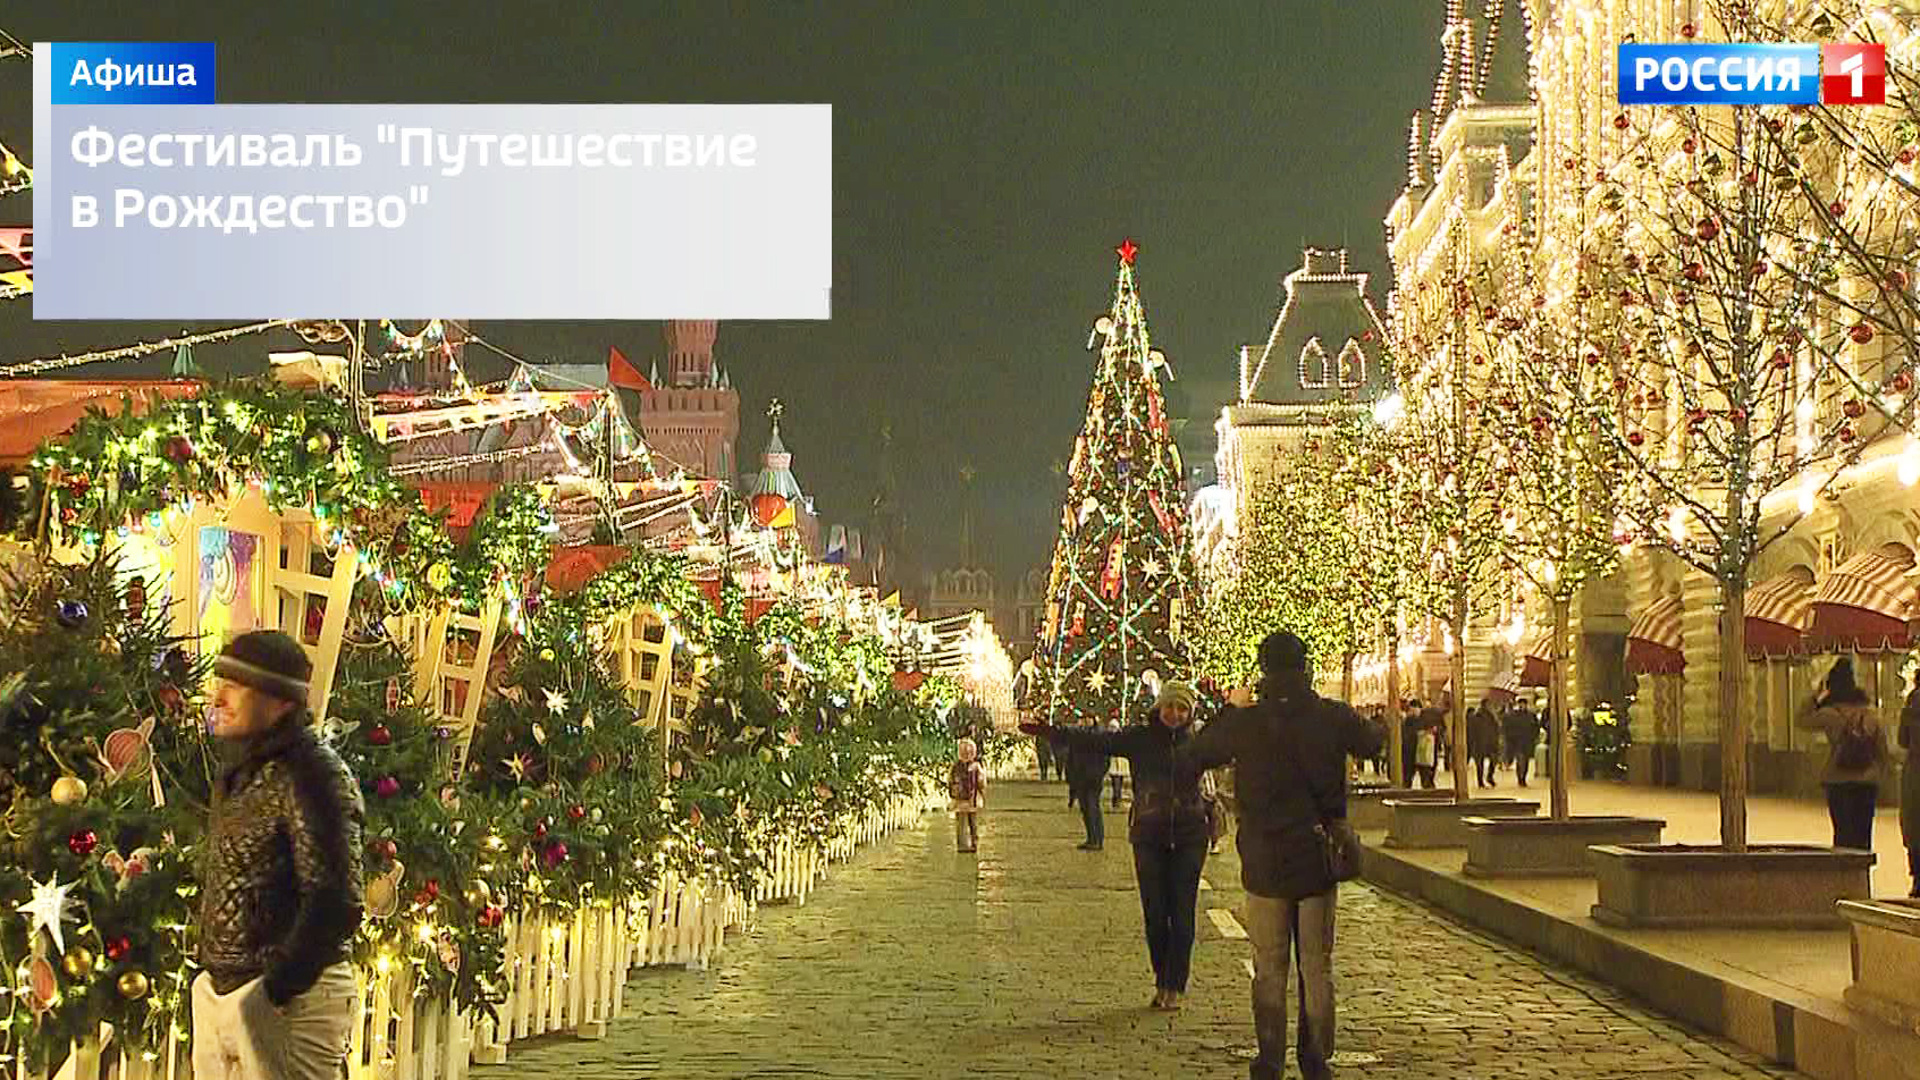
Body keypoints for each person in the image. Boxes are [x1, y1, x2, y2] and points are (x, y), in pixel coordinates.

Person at [1176, 632, 1382, 1080]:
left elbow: (1194, 754)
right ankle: (1315, 1057)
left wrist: (1232, 706)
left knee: (1269, 966)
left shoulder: (1246, 722)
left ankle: (1269, 1059)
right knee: (1315, 964)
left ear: (1263, 669)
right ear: (1305, 666)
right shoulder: (1330, 715)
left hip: (1266, 859)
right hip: (1316, 856)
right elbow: (1372, 742)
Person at [194, 630, 365, 1080]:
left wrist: (275, 988)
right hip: (227, 993)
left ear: (282, 701)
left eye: (236, 685)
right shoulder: (237, 773)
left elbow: (335, 899)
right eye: (219, 682)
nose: (219, 697)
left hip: (289, 1002)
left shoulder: (312, 774)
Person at [1026, 682, 1212, 1009]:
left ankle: (1175, 985)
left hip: (1189, 835)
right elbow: (1096, 740)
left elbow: (1244, 745)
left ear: (1190, 713)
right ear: (1160, 708)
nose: (1175, 714)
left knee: (1182, 913)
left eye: (1182, 709)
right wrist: (1052, 732)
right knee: (1155, 913)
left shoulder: (1200, 743)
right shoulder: (1140, 738)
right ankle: (1161, 979)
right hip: (1149, 834)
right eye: (1170, 707)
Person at [1797, 658, 1891, 851]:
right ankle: (1861, 876)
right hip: (1866, 782)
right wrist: (1880, 774)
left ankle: (1844, 877)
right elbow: (1882, 750)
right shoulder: (1871, 715)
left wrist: (1816, 695)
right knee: (1863, 835)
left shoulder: (1830, 714)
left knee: (1842, 834)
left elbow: (1801, 720)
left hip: (1838, 780)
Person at [1055, 720, 1110, 850]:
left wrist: (1098, 774)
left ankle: (1097, 839)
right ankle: (1091, 838)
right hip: (1080, 778)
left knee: (1092, 808)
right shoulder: (1077, 737)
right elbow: (1071, 759)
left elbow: (1105, 760)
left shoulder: (1099, 737)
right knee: (1085, 809)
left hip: (1092, 779)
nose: (1083, 721)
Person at [1900, 676, 1919, 897]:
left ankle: (1917, 879)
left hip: (1915, 771)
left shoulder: (1911, 704)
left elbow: (1901, 740)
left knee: (1914, 827)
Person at [951, 737, 986, 853]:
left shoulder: (955, 767)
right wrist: (982, 794)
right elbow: (982, 783)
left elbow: (949, 781)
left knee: (963, 824)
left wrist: (952, 794)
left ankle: (963, 845)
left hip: (963, 799)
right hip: (971, 799)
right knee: (972, 823)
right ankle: (972, 844)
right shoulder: (976, 767)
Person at [1503, 700, 1542, 788]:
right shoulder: (1513, 715)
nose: (1522, 706)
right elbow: (1508, 728)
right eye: (1520, 704)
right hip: (1517, 742)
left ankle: (1523, 777)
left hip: (1527, 742)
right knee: (1520, 761)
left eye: (1523, 704)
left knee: (1526, 761)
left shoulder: (1531, 715)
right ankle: (1520, 779)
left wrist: (1534, 737)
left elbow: (1536, 727)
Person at [1468, 698, 1500, 788]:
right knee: (1479, 764)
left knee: (1493, 760)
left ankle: (1489, 777)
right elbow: (1472, 731)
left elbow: (1496, 729)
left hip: (1490, 743)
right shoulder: (1476, 716)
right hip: (1479, 743)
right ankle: (1480, 781)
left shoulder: (1492, 716)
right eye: (1489, 705)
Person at [1107, 716, 1131, 808]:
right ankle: (1116, 799)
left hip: (1120, 763)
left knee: (1118, 782)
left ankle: (1117, 799)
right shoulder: (1110, 737)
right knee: (1116, 783)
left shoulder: (1120, 736)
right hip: (1115, 763)